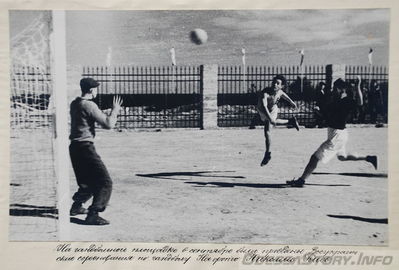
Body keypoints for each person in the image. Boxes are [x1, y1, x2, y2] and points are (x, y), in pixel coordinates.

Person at [287, 76, 377, 187]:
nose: (333, 90)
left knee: (315, 157)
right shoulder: (335, 101)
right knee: (342, 157)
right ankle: (369, 158)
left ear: (342, 90)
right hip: (340, 134)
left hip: (337, 135)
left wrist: (358, 86)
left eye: (335, 88)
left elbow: (360, 102)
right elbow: (327, 118)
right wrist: (318, 112)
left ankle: (301, 180)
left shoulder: (346, 101)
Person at [69, 78, 123, 225]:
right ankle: (93, 214)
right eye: (96, 89)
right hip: (86, 148)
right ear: (92, 90)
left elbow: (86, 116)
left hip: (74, 147)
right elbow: (108, 124)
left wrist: (101, 112)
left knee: (86, 182)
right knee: (105, 182)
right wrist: (115, 111)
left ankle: (76, 207)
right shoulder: (90, 105)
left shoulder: (75, 103)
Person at [257, 75, 300, 166]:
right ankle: (290, 121)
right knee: (271, 123)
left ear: (282, 86)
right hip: (263, 110)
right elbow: (264, 107)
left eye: (278, 83)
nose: (275, 84)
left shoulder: (279, 91)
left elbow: (284, 95)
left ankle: (268, 154)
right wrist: (269, 118)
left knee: (267, 131)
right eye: (274, 82)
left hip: (272, 109)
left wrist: (291, 102)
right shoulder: (265, 93)